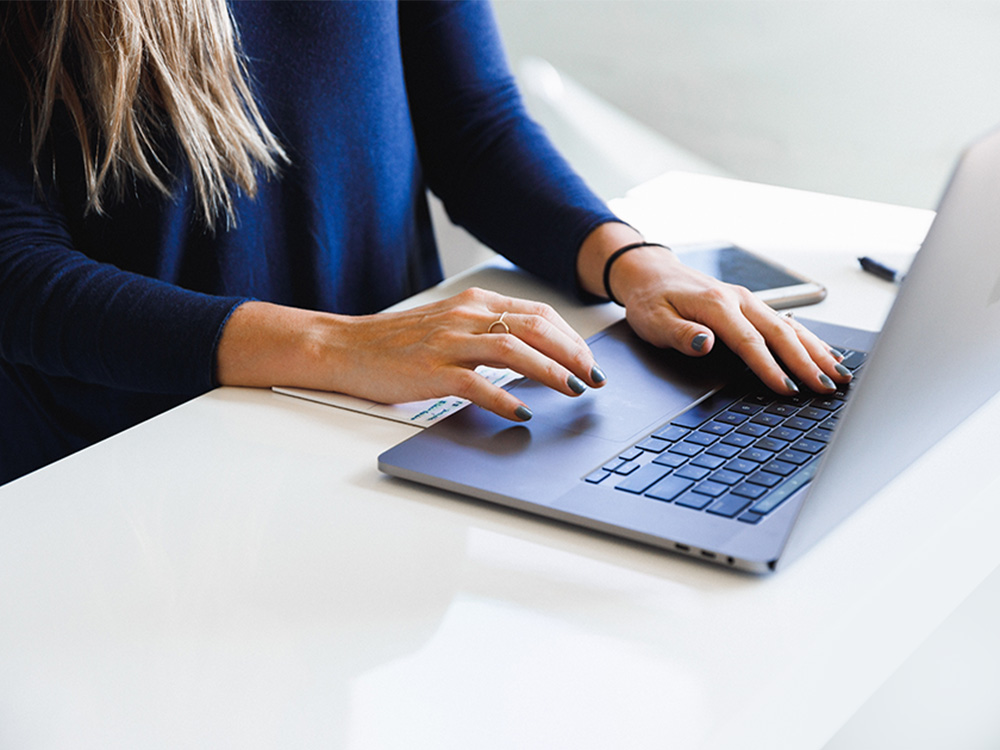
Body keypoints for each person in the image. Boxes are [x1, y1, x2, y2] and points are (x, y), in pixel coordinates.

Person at [0, 0, 850, 486]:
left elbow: (471, 124)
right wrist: (337, 344)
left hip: (386, 423)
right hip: (133, 464)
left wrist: (637, 265)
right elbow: (14, 271)